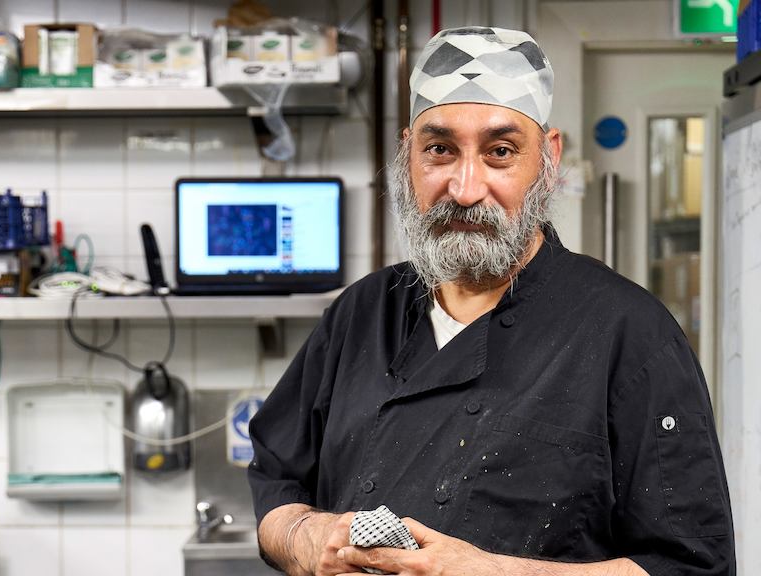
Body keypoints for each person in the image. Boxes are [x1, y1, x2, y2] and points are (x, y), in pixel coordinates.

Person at [247, 26, 735, 576]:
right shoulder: (360, 313)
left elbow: (693, 566)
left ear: (547, 160)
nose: (465, 188)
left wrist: (495, 572)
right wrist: (306, 537)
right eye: (440, 150)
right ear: (409, 155)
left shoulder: (630, 333)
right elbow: (275, 479)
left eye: (500, 152)